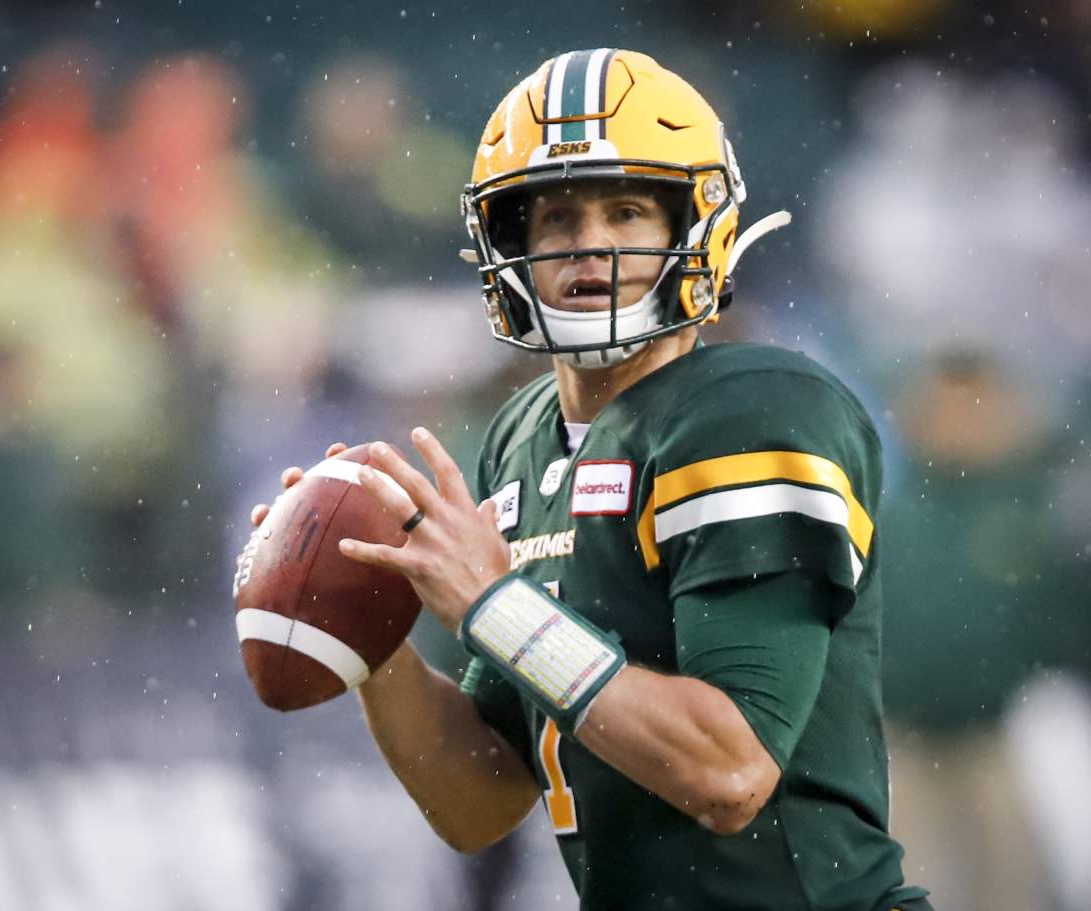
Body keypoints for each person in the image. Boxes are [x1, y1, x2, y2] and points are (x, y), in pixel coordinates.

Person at [250, 49, 931, 911]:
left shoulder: (754, 412)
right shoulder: (521, 439)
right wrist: (369, 639)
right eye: (559, 219)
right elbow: (479, 801)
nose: (592, 247)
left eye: (628, 212)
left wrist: (495, 607)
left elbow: (729, 770)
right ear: (511, 244)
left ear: (695, 226)